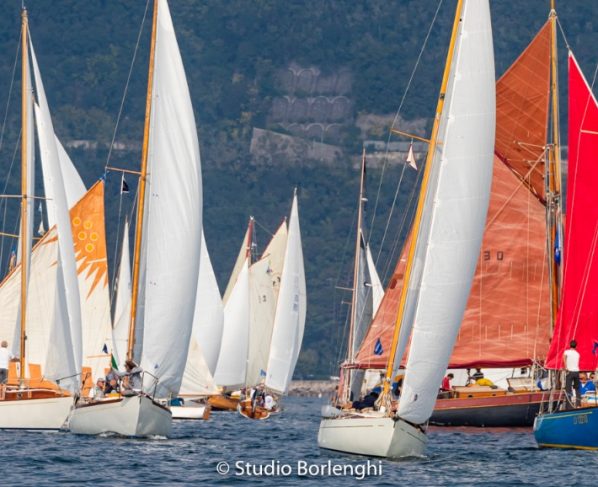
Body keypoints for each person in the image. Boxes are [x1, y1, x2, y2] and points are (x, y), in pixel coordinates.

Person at [563, 340, 581, 408]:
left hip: (569, 372)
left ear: (569, 345)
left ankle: (569, 406)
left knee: (568, 389)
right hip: (576, 372)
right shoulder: (577, 354)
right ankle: (578, 404)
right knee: (577, 388)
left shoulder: (566, 352)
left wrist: (566, 367)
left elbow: (564, 358)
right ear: (576, 346)